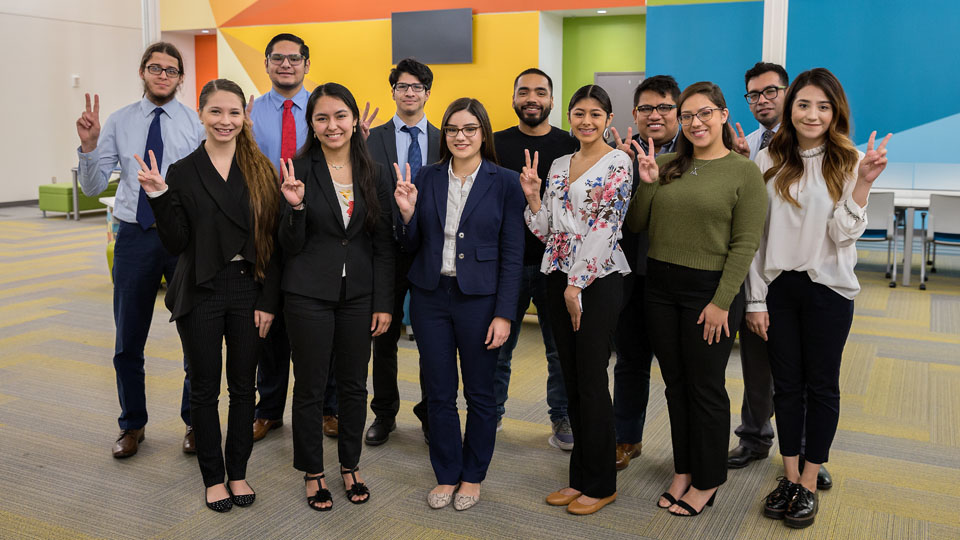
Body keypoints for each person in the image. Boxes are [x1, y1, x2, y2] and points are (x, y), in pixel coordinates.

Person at [746, 68, 890, 529]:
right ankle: (788, 477)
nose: (812, 114)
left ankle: (809, 482)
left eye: (823, 106)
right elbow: (755, 237)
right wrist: (755, 299)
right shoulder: (768, 157)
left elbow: (845, 234)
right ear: (791, 109)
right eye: (804, 104)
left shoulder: (848, 158)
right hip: (779, 288)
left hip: (829, 289)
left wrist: (863, 183)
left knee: (821, 386)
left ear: (835, 112)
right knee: (785, 387)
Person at [137, 78, 281, 512]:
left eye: (234, 112)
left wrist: (268, 301)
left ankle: (238, 472)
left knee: (243, 388)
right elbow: (178, 242)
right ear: (200, 114)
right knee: (204, 389)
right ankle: (213, 477)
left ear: (245, 116)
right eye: (216, 112)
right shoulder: (182, 171)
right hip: (200, 288)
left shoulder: (261, 170)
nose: (225, 120)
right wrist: (160, 197)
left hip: (248, 289)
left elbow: (273, 244)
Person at [626, 81, 767, 517]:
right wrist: (647, 183)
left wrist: (723, 301)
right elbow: (635, 225)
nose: (696, 122)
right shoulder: (666, 164)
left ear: (723, 116)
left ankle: (707, 480)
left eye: (705, 113)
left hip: (711, 291)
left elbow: (745, 244)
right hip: (661, 288)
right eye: (688, 116)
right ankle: (683, 470)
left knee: (706, 388)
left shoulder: (745, 171)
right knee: (675, 385)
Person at [395, 97, 524, 511]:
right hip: (431, 297)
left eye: (470, 129)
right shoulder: (427, 177)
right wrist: (408, 214)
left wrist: (504, 313)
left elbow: (512, 253)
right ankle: (447, 474)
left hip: (481, 300)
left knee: (481, 394)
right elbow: (411, 246)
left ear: (483, 133)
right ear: (444, 134)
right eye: (453, 129)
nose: (461, 136)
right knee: (438, 391)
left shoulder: (504, 181)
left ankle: (473, 475)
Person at [75, 42, 203, 458]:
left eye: (171, 69)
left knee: (195, 338)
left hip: (183, 237)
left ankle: (194, 422)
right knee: (128, 339)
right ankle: (132, 425)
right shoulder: (119, 121)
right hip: (135, 236)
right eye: (155, 68)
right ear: (142, 72)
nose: (163, 75)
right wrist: (91, 147)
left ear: (181, 77)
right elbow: (93, 188)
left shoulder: (195, 124)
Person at [279, 83, 394, 510]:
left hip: (359, 295)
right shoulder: (298, 168)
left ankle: (350, 465)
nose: (332, 126)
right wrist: (294, 209)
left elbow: (383, 243)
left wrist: (383, 301)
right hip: (308, 292)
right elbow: (286, 245)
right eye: (322, 118)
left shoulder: (374, 171)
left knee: (352, 385)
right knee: (309, 387)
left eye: (340, 116)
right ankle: (312, 471)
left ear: (354, 120)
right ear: (311, 123)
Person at [524, 85, 632, 516]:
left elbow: (607, 226)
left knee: (591, 381)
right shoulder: (558, 163)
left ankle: (602, 482)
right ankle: (579, 477)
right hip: (556, 275)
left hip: (596, 279)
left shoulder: (618, 162)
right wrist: (533, 196)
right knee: (571, 382)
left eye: (595, 114)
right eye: (579, 113)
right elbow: (547, 229)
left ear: (608, 118)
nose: (586, 121)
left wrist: (577, 284)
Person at [248, 32, 339, 443]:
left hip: (316, 224)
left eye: (294, 58)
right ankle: (268, 408)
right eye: (278, 58)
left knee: (320, 318)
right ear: (266, 64)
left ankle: (327, 407)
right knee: (269, 318)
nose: (286, 64)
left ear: (307, 64)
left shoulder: (321, 111)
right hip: (263, 225)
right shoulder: (250, 112)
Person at [492, 68, 578, 449]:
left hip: (556, 264)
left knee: (559, 349)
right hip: (505, 263)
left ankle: (560, 418)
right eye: (523, 90)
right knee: (497, 347)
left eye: (540, 92)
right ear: (513, 97)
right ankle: (489, 414)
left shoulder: (571, 145)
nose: (531, 98)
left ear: (551, 100)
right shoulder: (492, 143)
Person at [363, 58, 440, 446]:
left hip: (430, 250)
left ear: (428, 93)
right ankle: (384, 414)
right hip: (385, 249)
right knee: (384, 336)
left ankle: (430, 414)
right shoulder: (371, 138)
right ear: (392, 91)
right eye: (402, 86)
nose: (410, 93)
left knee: (431, 338)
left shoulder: (447, 139)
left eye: (417, 86)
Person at [607, 75, 681, 471]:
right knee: (630, 363)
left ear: (679, 112)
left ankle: (684, 451)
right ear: (635, 114)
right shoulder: (619, 155)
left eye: (664, 107)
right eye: (646, 109)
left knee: (679, 371)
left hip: (677, 279)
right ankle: (626, 439)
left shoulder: (696, 151)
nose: (655, 115)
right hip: (630, 277)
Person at [726, 62, 794, 474]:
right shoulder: (744, 146)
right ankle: (754, 438)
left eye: (771, 91)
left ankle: (803, 450)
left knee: (798, 372)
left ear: (788, 92)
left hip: (798, 275)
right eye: (753, 94)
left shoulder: (809, 143)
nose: (762, 100)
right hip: (756, 271)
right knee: (756, 367)